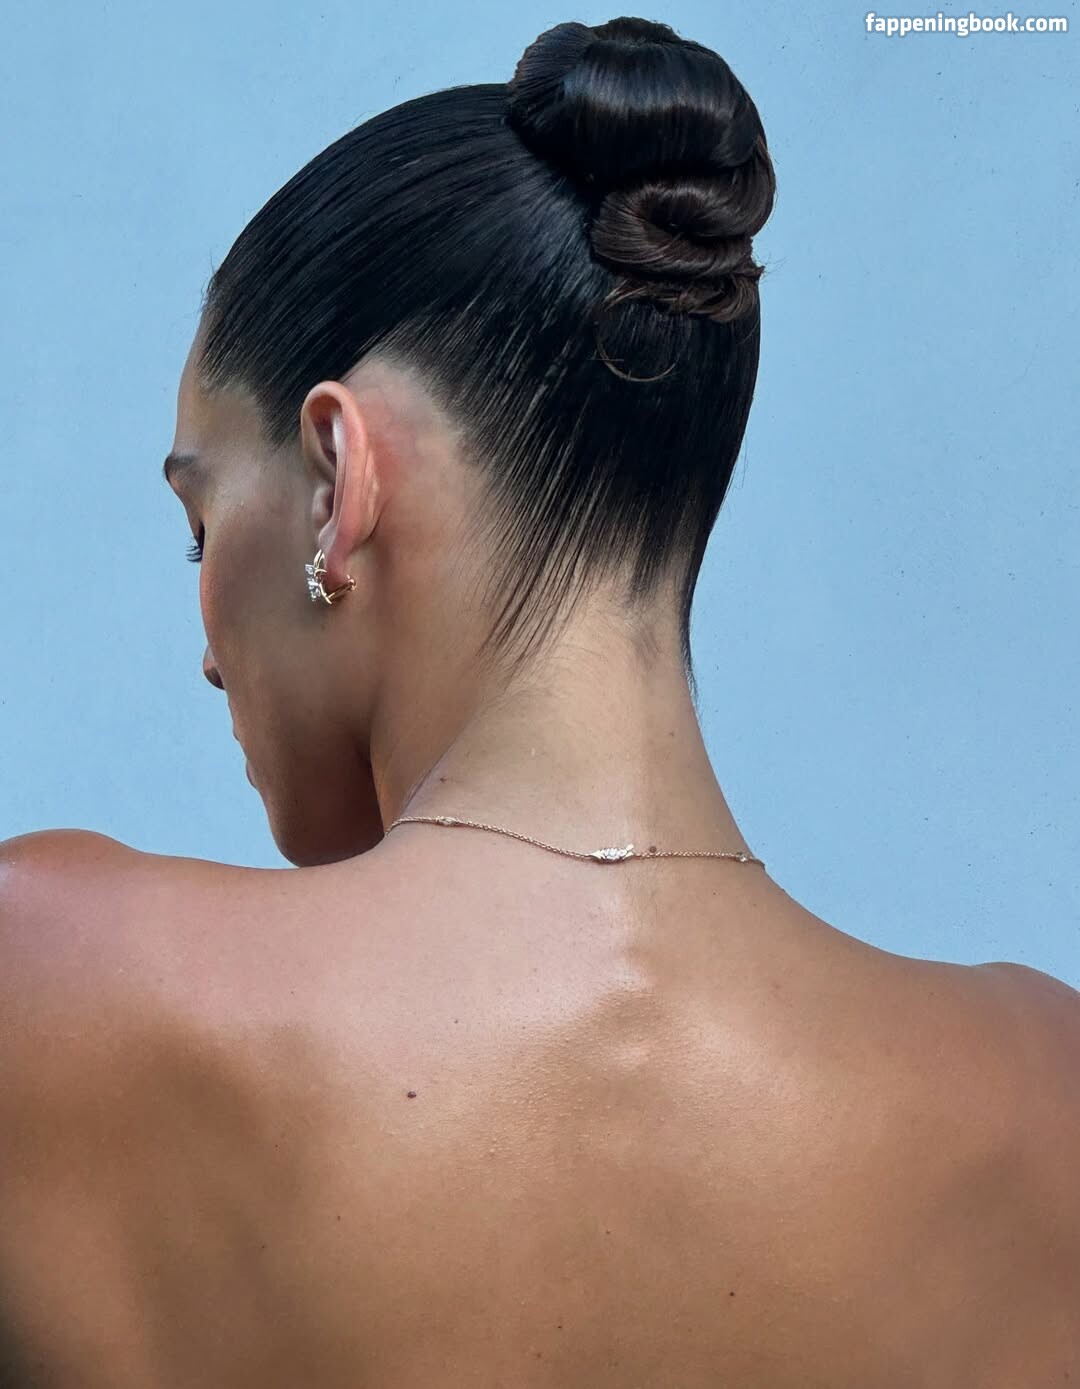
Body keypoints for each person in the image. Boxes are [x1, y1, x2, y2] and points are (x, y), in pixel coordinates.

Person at [1, 15, 1077, 1386]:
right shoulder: (1045, 1101)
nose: (208, 651)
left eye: (200, 525)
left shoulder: (43, 987)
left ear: (335, 481)